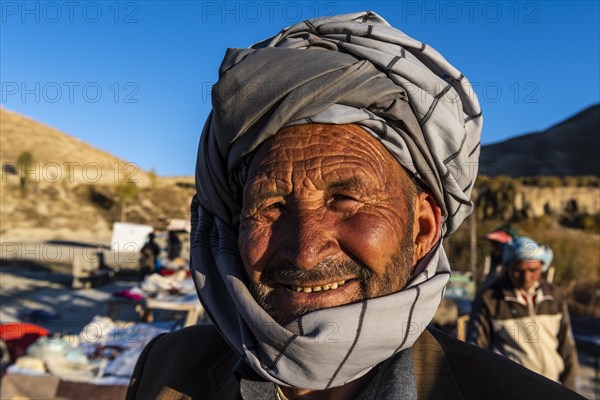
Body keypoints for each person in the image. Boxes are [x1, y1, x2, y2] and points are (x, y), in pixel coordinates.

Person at [127, 12, 583, 399]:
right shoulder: (164, 373)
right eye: (271, 205)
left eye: (345, 200)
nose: (305, 251)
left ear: (422, 227)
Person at [467, 236, 579, 390]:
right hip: (511, 390)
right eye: (518, 270)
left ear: (542, 267)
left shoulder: (554, 296)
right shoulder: (490, 299)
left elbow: (567, 347)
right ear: (508, 266)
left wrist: (570, 390)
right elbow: (476, 352)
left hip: (552, 388)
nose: (526, 277)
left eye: (533, 270)